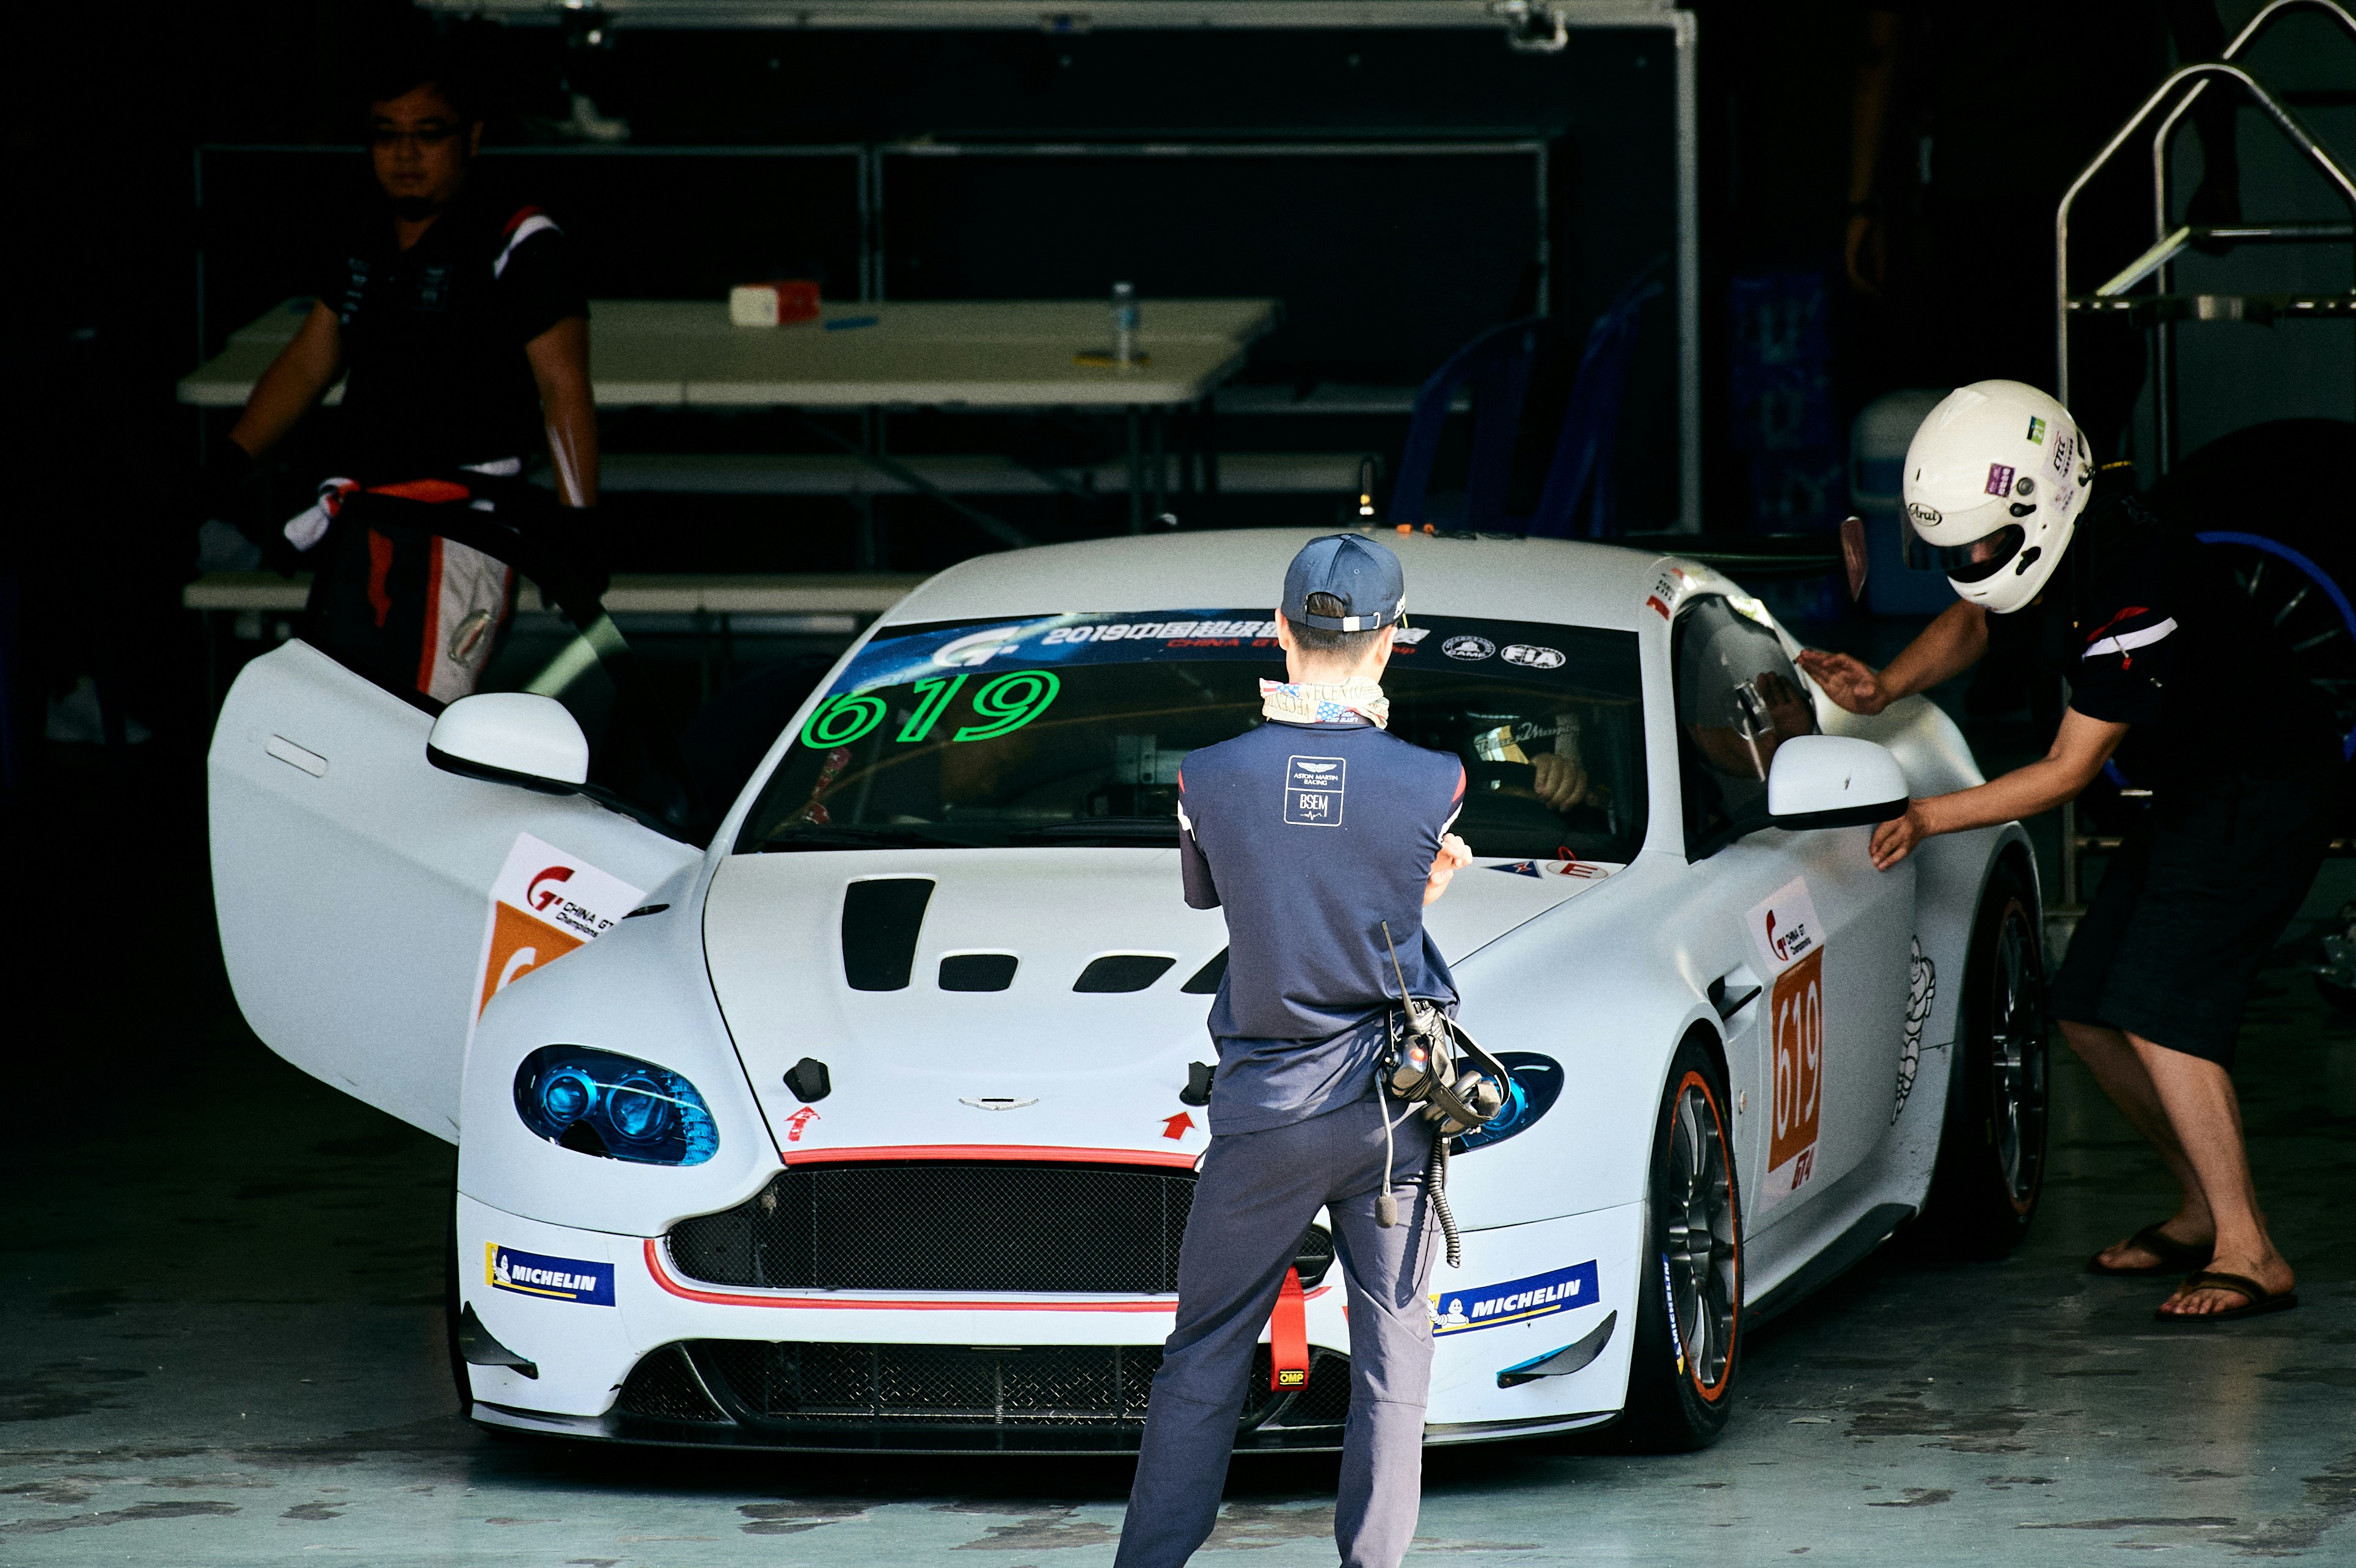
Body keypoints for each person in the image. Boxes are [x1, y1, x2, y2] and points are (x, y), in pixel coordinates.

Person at [1794, 379, 2336, 1322]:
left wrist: (1927, 816)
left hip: (2264, 783)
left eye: (1977, 545)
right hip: (2199, 782)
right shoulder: (2048, 548)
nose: (1966, 563)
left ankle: (2251, 1247)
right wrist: (1884, 686)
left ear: (2036, 513)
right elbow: (1975, 614)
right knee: (2086, 1009)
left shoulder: (2132, 582)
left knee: (2162, 1012)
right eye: (1952, 547)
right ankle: (2204, 1205)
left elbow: (2064, 770)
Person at [1114, 535, 1473, 1568]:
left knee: (1205, 1355)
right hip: (1391, 1109)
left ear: (1278, 630)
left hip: (1265, 1109)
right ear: (1394, 639)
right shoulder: (1435, 780)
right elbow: (1373, 904)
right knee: (1391, 1363)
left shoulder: (1208, 774)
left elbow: (1216, 894)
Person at [206, 48, 598, 704]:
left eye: (428, 134)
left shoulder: (518, 238)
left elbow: (563, 388)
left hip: (463, 528)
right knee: (342, 714)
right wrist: (229, 459)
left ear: (470, 136)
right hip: (363, 520)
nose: (405, 155)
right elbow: (309, 360)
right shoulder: (365, 235)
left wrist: (579, 523)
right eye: (387, 136)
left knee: (424, 722)